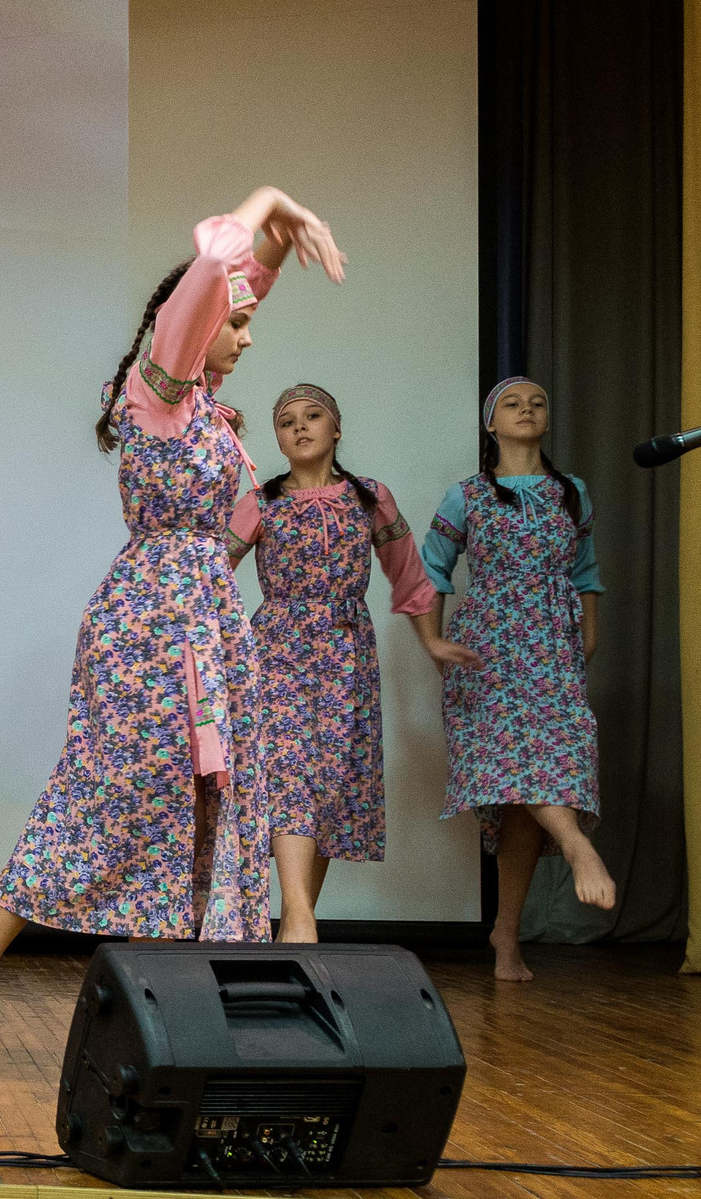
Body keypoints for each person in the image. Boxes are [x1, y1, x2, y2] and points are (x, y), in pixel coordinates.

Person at [0, 187, 347, 1064]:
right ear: (192, 327)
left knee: (207, 800)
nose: (245, 335)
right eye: (233, 325)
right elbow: (208, 280)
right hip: (153, 623)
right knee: (100, 797)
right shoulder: (157, 388)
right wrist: (266, 199)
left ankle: (201, 1010)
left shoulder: (203, 408)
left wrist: (275, 244)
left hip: (204, 619)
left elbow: (238, 286)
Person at [228, 383, 463, 941]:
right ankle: (299, 916)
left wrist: (433, 644)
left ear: (337, 429)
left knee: (330, 783)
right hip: (277, 648)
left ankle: (294, 919)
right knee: (288, 773)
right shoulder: (260, 501)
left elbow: (409, 576)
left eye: (313, 416)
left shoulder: (369, 497)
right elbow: (211, 572)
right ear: (278, 440)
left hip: (345, 652)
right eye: (287, 421)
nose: (301, 427)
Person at [415, 375, 614, 979]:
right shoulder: (467, 495)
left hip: (553, 648)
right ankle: (580, 848)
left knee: (530, 789)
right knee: (516, 767)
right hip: (489, 652)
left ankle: (506, 936)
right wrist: (432, 641)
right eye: (512, 403)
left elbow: (587, 570)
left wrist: (590, 631)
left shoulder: (571, 492)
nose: (526, 411)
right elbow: (430, 570)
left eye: (537, 403)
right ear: (490, 423)